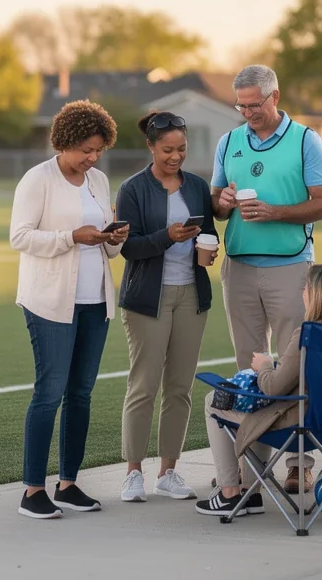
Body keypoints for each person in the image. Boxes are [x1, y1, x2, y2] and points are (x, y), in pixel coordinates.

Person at [210, 64, 322, 494]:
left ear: (275, 97)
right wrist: (222, 201)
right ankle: (251, 465)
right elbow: (216, 203)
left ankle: (301, 464)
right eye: (241, 106)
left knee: (295, 366)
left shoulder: (306, 140)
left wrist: (277, 212)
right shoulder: (229, 141)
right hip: (239, 266)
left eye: (255, 105)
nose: (248, 113)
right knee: (249, 368)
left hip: (290, 266)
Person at [10, 100, 129, 519]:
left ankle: (69, 484)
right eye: (85, 149)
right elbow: (20, 237)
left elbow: (109, 249)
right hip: (49, 302)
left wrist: (114, 237)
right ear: (64, 142)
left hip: (95, 300)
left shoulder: (98, 180)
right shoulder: (37, 179)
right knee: (50, 393)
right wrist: (71, 237)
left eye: (98, 150)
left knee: (80, 395)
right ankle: (32, 490)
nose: (92, 158)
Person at [197, 264, 322, 516]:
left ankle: (230, 494)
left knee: (216, 400)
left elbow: (272, 388)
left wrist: (264, 366)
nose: (302, 293)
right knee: (259, 402)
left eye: (306, 288)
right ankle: (251, 493)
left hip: (300, 423)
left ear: (317, 295)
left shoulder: (306, 335)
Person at [114, 110, 217, 503]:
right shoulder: (133, 189)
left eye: (182, 149)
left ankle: (168, 471)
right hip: (147, 299)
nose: (176, 156)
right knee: (144, 386)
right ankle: (133, 473)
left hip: (191, 294)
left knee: (180, 388)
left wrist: (206, 252)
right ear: (151, 147)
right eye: (168, 150)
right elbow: (128, 246)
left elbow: (205, 233)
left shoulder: (195, 186)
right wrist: (167, 236)